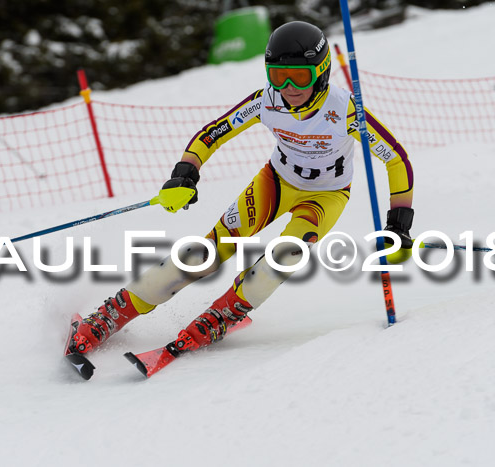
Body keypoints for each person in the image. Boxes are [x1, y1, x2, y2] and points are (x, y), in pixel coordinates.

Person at [67, 21, 414, 357]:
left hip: (326, 196)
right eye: (278, 75)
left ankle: (224, 313)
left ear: (321, 73)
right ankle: (114, 312)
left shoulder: (347, 112)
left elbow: (396, 160)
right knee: (207, 252)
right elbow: (213, 133)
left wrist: (398, 225)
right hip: (275, 183)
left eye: (300, 76)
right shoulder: (267, 101)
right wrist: (185, 173)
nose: (289, 87)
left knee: (283, 258)